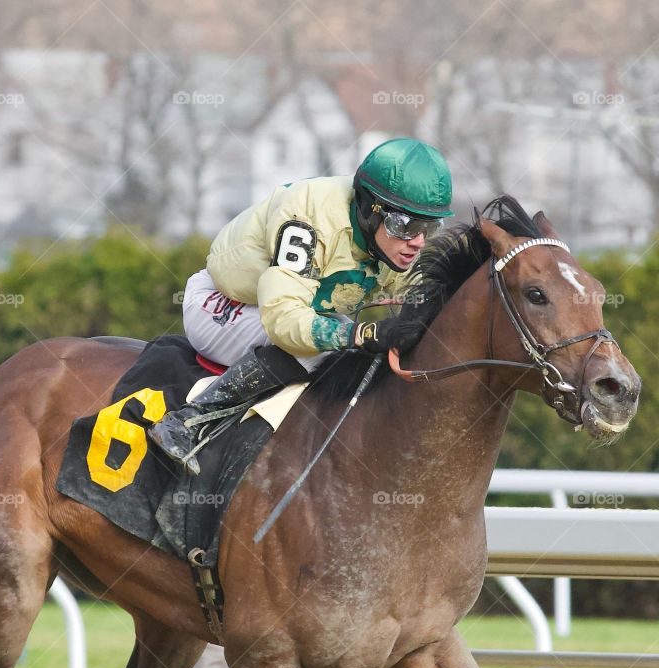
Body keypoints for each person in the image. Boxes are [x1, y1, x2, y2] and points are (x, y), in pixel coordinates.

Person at [149, 137, 454, 475]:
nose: (418, 242)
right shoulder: (307, 216)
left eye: (429, 227)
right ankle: (188, 422)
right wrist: (364, 331)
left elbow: (420, 297)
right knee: (322, 349)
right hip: (220, 305)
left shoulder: (394, 243)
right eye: (406, 226)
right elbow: (284, 320)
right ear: (370, 210)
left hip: (284, 310)